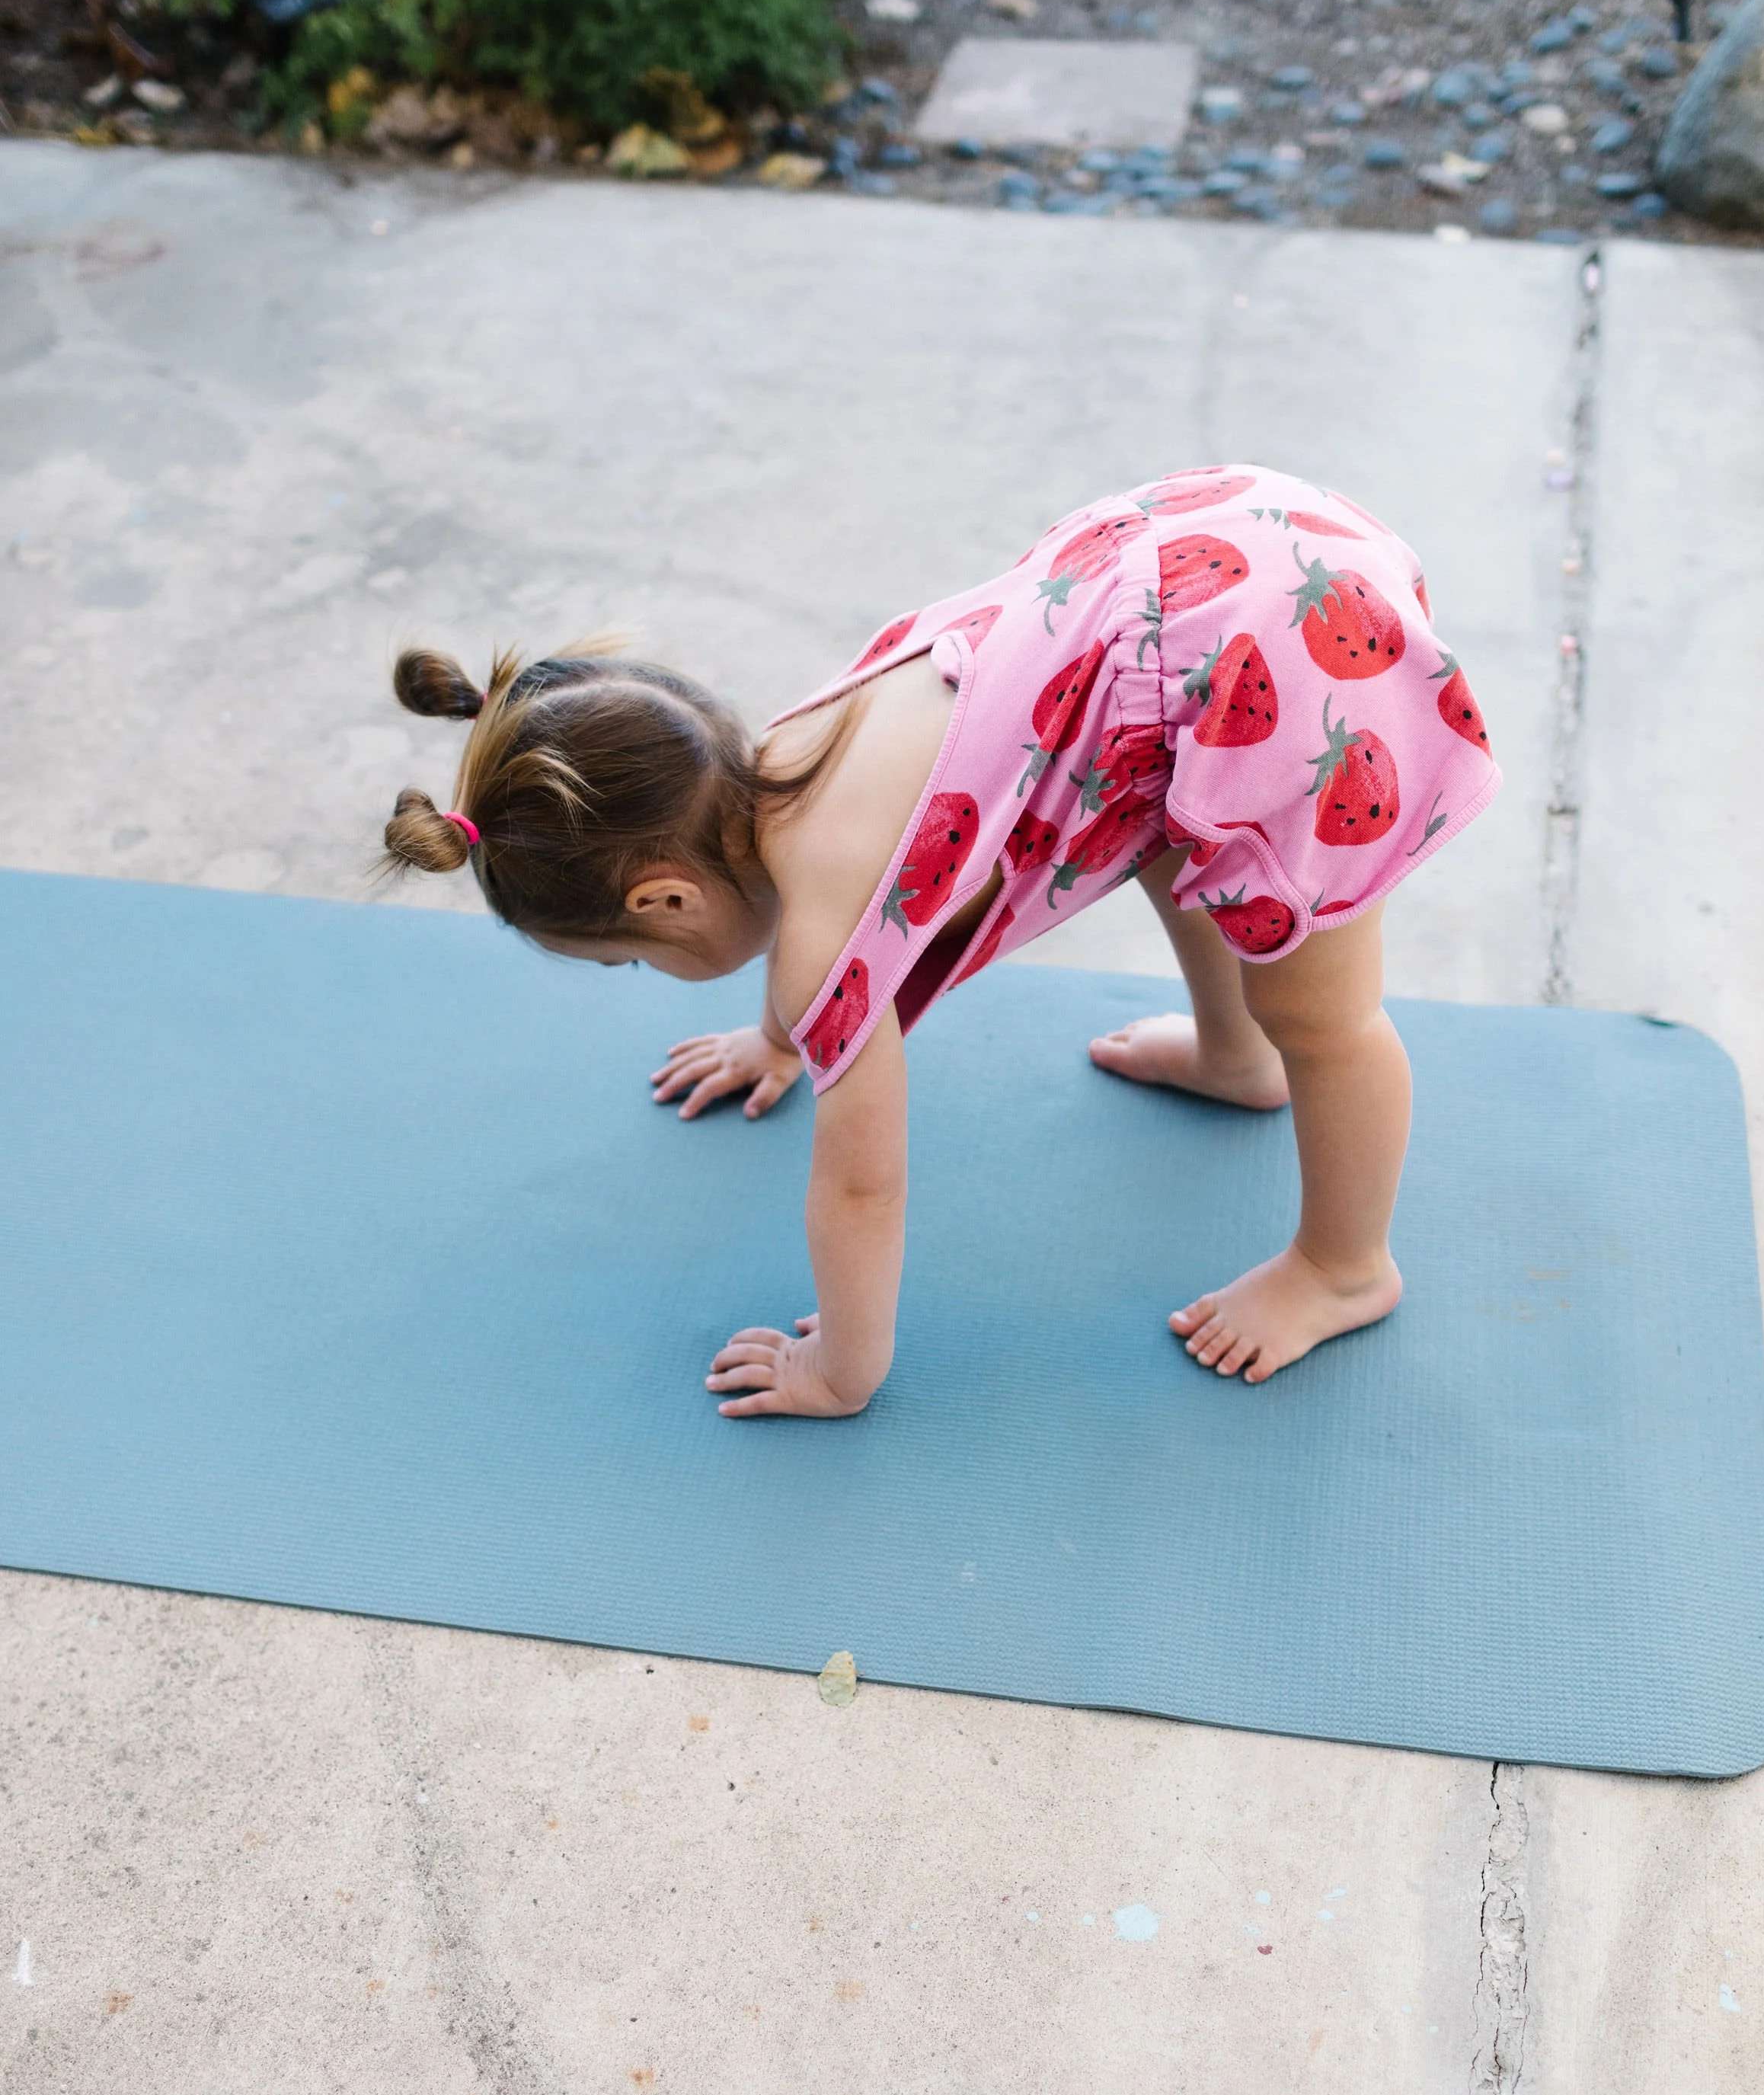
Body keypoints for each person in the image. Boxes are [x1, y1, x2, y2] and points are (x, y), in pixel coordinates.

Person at [379, 465, 1497, 1414]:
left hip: (1286, 662)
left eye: (629, 957)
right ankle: (1232, 1057)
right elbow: (817, 909)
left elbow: (865, 1187)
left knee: (1325, 1015)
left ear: (666, 900)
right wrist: (778, 1038)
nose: (647, 973)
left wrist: (840, 1370)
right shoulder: (792, 749)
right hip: (1204, 575)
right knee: (1171, 828)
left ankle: (1345, 1268)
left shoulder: (816, 936)